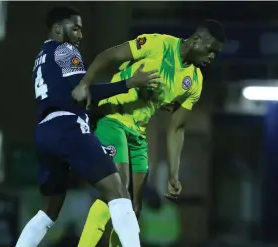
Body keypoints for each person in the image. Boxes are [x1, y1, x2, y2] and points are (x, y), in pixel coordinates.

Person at [15, 6, 160, 247]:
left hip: (44, 132)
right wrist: (129, 83)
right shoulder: (65, 50)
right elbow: (82, 92)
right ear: (58, 28)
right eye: (76, 28)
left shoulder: (40, 57)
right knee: (119, 192)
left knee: (50, 211)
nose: (80, 35)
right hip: (69, 128)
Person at [75, 19, 225, 247]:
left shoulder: (194, 81)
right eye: (211, 50)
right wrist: (85, 84)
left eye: (216, 53)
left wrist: (174, 173)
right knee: (118, 193)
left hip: (137, 132)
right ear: (196, 41)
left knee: (134, 209)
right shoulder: (157, 45)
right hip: (112, 119)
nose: (212, 57)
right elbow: (110, 55)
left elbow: (177, 127)